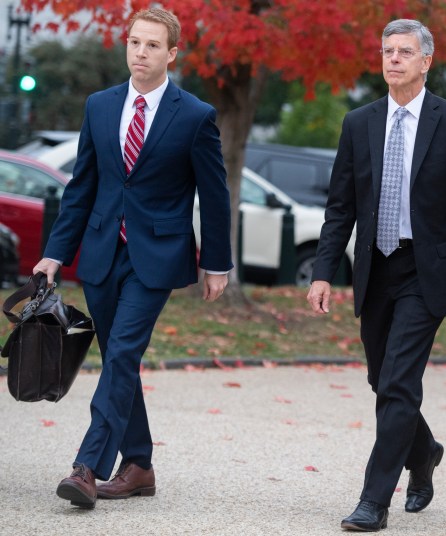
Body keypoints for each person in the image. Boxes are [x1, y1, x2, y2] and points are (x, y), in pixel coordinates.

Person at [33, 7, 232, 509]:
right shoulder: (100, 106)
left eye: (151, 45)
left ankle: (87, 468)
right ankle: (139, 464)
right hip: (100, 253)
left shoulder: (194, 116)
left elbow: (215, 195)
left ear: (172, 53)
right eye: (134, 42)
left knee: (121, 353)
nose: (140, 53)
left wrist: (218, 262)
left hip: (157, 256)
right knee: (122, 359)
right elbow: (81, 187)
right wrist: (55, 253)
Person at [306, 18, 446, 532]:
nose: (394, 59)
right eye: (388, 51)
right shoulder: (358, 122)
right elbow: (340, 207)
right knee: (380, 379)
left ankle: (373, 500)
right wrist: (322, 272)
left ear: (426, 61)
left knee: (400, 382)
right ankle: (425, 451)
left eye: (405, 52)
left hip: (428, 273)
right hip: (375, 268)